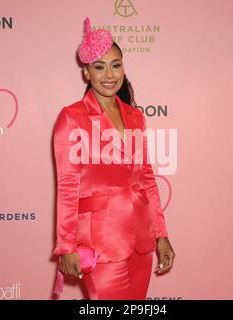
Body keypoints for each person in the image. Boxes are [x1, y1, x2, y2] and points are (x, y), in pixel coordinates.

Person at [52, 17, 175, 300]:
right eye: (99, 67)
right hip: (100, 243)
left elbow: (146, 178)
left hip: (141, 242)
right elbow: (68, 186)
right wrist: (66, 246)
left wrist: (161, 234)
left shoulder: (135, 116)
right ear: (86, 73)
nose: (109, 74)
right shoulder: (72, 118)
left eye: (116, 64)